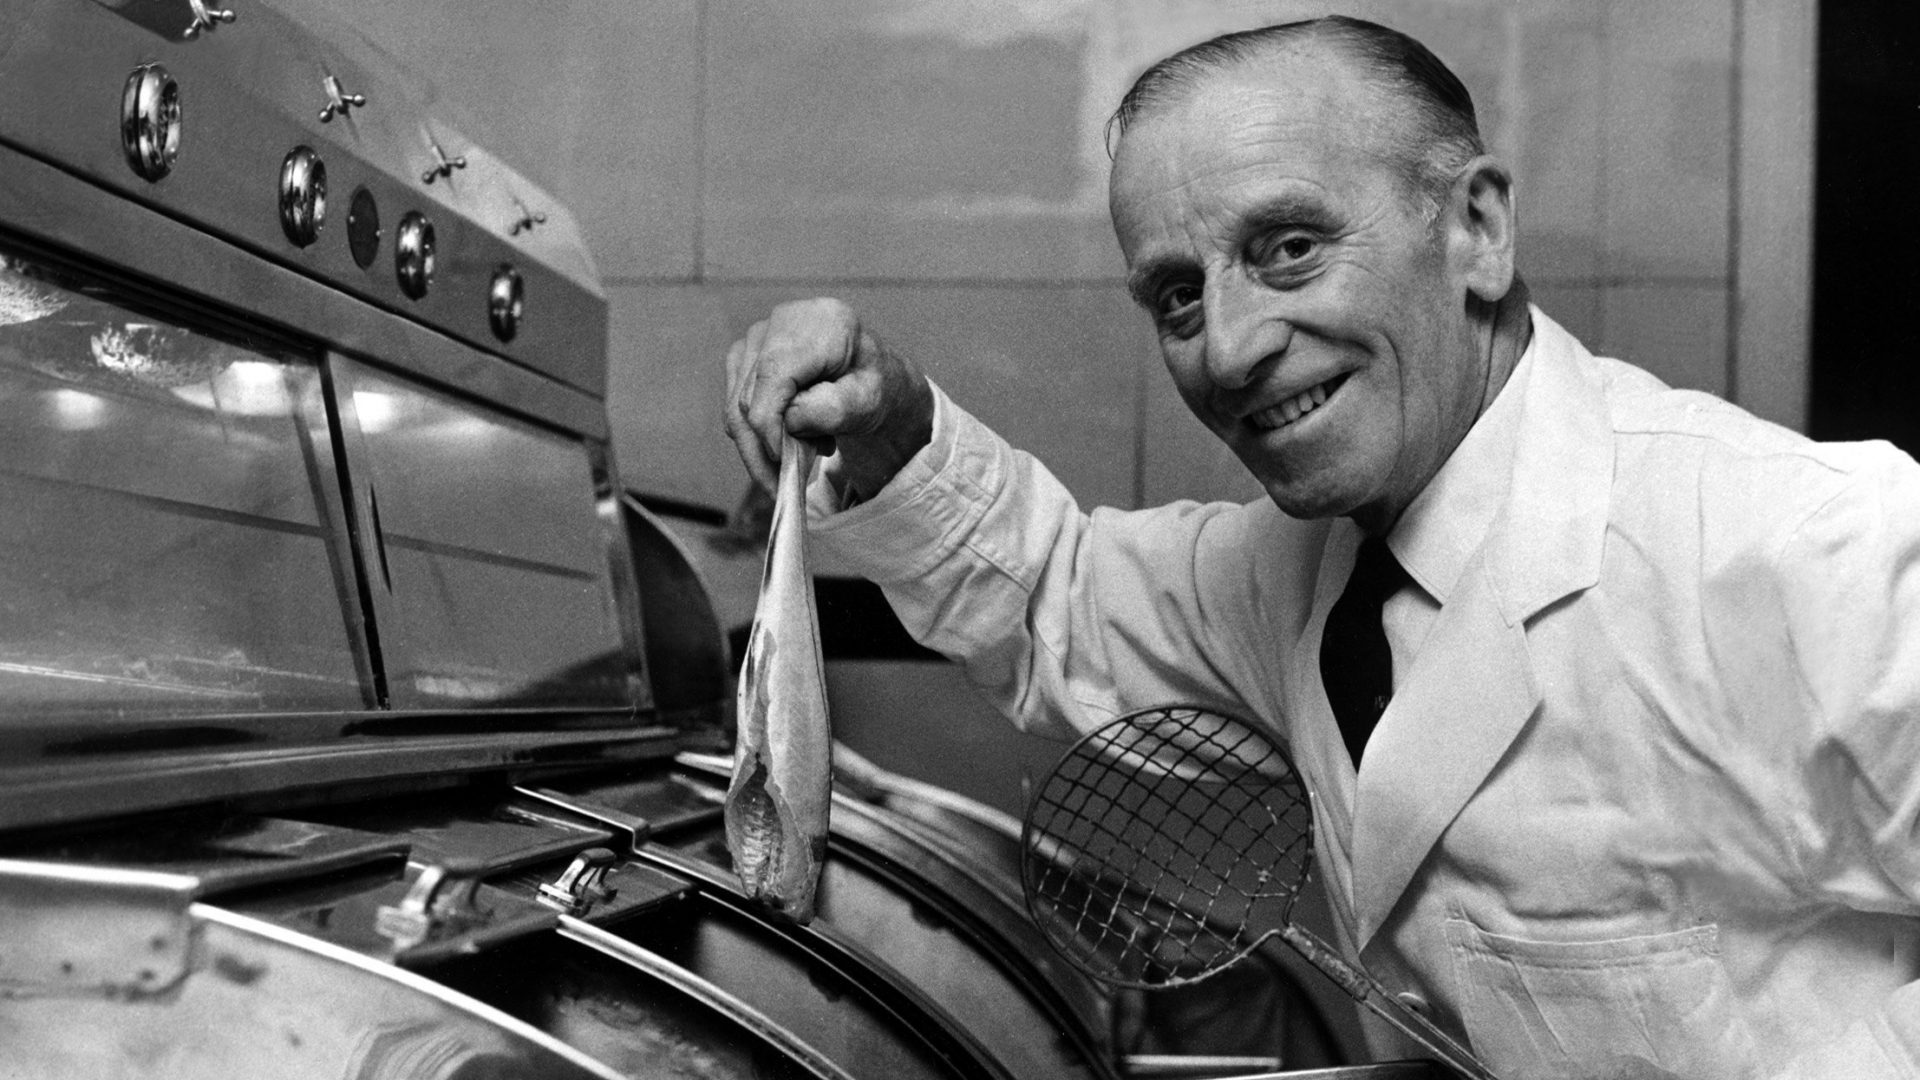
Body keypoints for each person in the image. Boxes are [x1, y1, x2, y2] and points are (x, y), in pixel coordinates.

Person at [720, 15, 1920, 1079]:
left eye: (1290, 246)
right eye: (1179, 296)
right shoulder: (1293, 573)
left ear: (1477, 228)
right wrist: (892, 423)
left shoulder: (1814, 542)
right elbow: (1059, 596)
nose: (1232, 347)